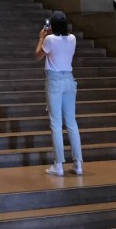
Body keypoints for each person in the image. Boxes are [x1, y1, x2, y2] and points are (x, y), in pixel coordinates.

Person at [35, 10, 83, 177]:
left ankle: (59, 165)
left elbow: (38, 56)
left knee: (56, 123)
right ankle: (78, 164)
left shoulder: (49, 39)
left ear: (52, 25)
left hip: (54, 80)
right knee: (71, 122)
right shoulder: (72, 38)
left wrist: (41, 37)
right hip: (69, 80)